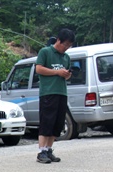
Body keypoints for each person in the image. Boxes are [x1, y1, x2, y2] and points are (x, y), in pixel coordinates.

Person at [35, 28, 75, 164]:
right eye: (65, 45)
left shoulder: (66, 57)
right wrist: (57, 72)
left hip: (62, 92)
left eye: (69, 46)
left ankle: (48, 149)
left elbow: (66, 75)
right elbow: (39, 69)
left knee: (57, 123)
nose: (66, 48)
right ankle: (41, 151)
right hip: (48, 92)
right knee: (47, 121)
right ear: (58, 40)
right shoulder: (45, 52)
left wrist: (67, 75)